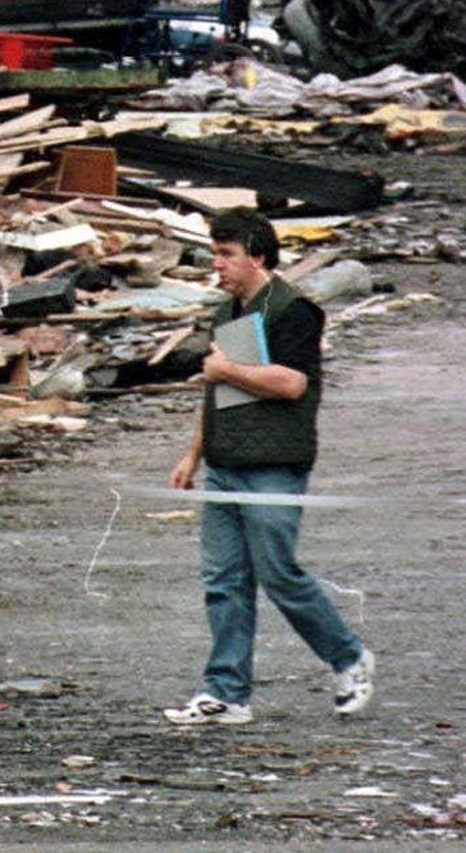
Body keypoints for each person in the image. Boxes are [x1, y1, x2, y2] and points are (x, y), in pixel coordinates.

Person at [164, 207, 374, 728]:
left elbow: (292, 383)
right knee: (224, 580)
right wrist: (193, 452)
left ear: (258, 255)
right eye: (215, 254)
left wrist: (226, 368)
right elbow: (224, 391)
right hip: (228, 463)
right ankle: (227, 693)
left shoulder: (293, 311)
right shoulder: (232, 312)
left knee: (279, 574)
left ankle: (348, 657)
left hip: (274, 465)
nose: (218, 265)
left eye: (227, 255)